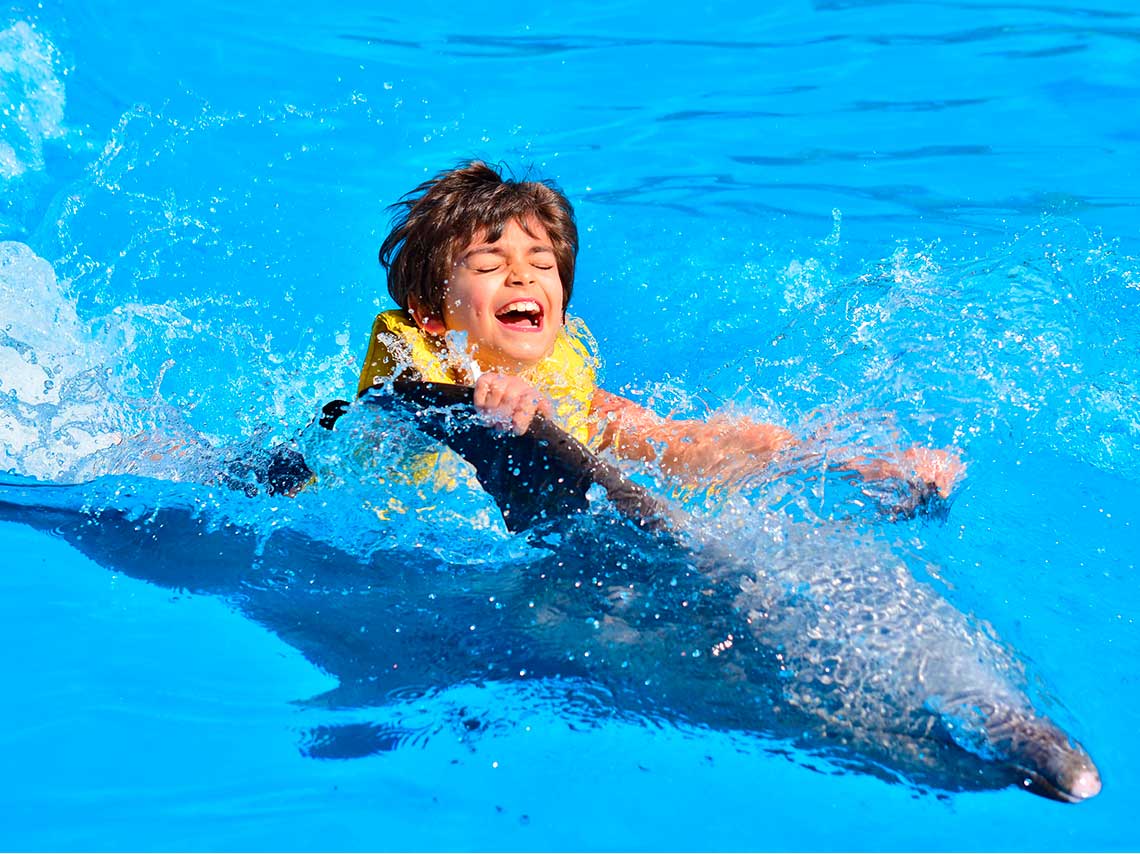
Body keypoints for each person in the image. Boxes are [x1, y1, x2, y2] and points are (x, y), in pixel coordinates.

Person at [356, 160, 963, 501]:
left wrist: (859, 463)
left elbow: (683, 443)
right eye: (490, 266)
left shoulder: (566, 382)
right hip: (399, 559)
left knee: (675, 436)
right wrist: (477, 403)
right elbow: (391, 429)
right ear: (431, 313)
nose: (523, 277)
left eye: (543, 266)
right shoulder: (411, 371)